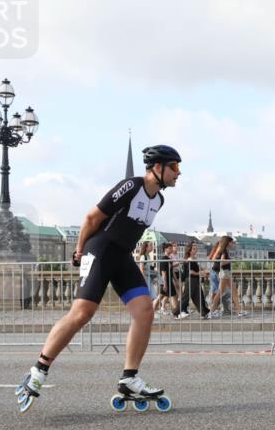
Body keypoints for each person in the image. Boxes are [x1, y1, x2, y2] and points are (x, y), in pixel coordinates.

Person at [15, 145, 182, 413]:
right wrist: (80, 250)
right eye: (174, 167)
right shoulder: (130, 186)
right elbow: (92, 217)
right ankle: (39, 369)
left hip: (123, 256)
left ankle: (129, 378)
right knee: (82, 313)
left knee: (145, 311)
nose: (178, 173)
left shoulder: (159, 201)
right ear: (157, 167)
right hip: (100, 250)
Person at [177, 242, 208, 319]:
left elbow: (197, 270)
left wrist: (203, 272)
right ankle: (176, 312)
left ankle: (204, 313)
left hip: (194, 281)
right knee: (187, 298)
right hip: (191, 281)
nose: (195, 249)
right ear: (190, 250)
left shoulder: (193, 259)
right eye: (194, 248)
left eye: (195, 248)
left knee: (199, 297)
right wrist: (200, 273)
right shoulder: (189, 260)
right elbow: (191, 272)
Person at [154, 242, 179, 317]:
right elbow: (163, 272)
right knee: (173, 296)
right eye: (169, 248)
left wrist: (176, 280)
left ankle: (152, 311)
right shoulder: (164, 259)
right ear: (165, 249)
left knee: (160, 297)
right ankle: (176, 314)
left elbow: (172, 271)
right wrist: (165, 284)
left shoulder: (169, 259)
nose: (171, 249)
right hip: (166, 281)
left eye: (171, 248)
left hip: (168, 281)